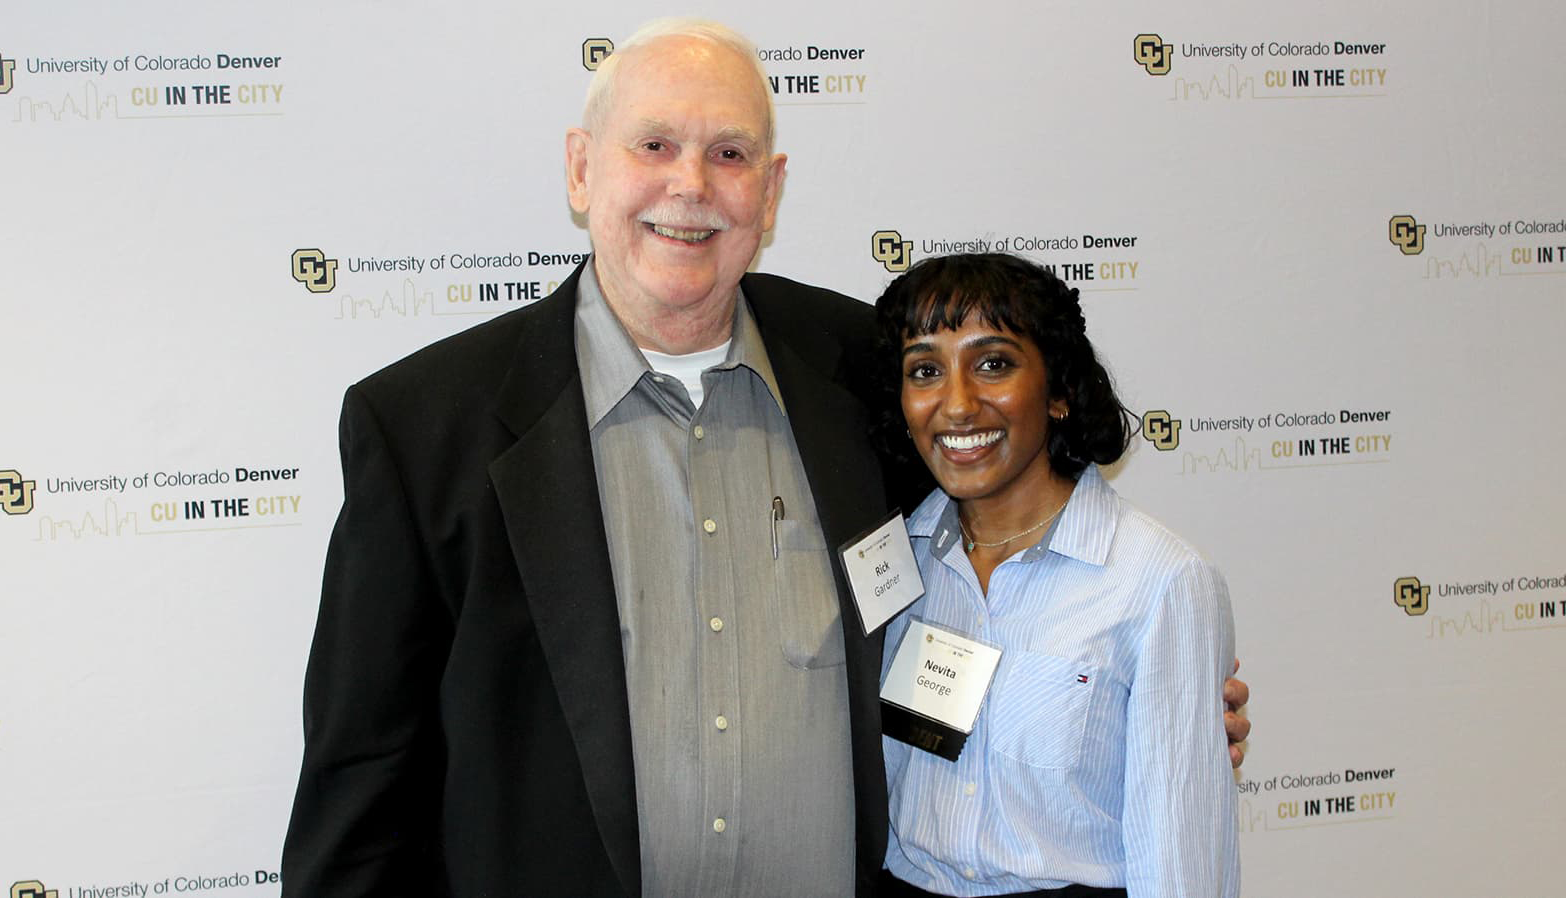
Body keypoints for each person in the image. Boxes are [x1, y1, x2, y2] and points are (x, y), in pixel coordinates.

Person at [281, 20, 1249, 898]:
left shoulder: (867, 372)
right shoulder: (424, 424)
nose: (691, 185)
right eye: (653, 145)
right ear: (583, 171)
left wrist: (1139, 694)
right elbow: (363, 769)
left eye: (729, 154)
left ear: (771, 190)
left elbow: (990, 566)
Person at [872, 253, 1238, 898]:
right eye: (925, 370)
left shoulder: (1158, 582)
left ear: (1061, 390)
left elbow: (1182, 859)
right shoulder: (894, 562)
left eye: (993, 363)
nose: (956, 405)